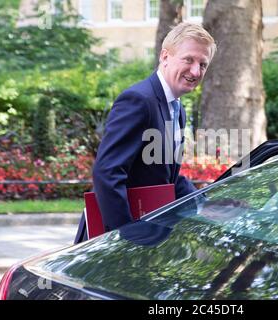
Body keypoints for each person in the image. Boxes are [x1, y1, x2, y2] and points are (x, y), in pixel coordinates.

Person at [74, 23, 217, 243]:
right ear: (165, 56)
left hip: (146, 232)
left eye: (203, 64)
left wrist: (205, 204)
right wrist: (126, 232)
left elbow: (166, 176)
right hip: (111, 238)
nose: (196, 71)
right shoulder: (138, 100)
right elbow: (107, 172)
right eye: (188, 59)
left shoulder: (178, 110)